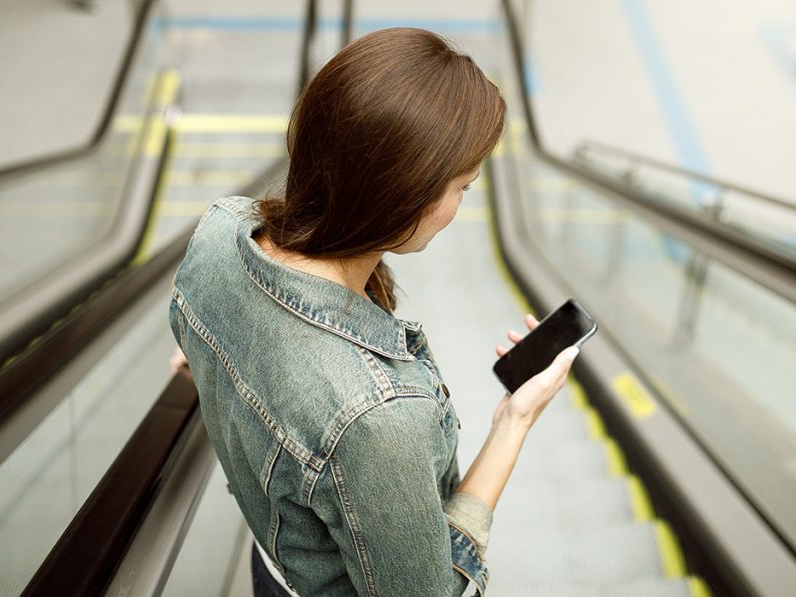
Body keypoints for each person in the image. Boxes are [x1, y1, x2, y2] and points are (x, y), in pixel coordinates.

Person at [168, 27, 579, 596]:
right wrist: (516, 421)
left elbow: (204, 348)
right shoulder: (374, 415)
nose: (461, 205)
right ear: (403, 195)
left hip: (273, 567)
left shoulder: (218, 234)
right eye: (463, 186)